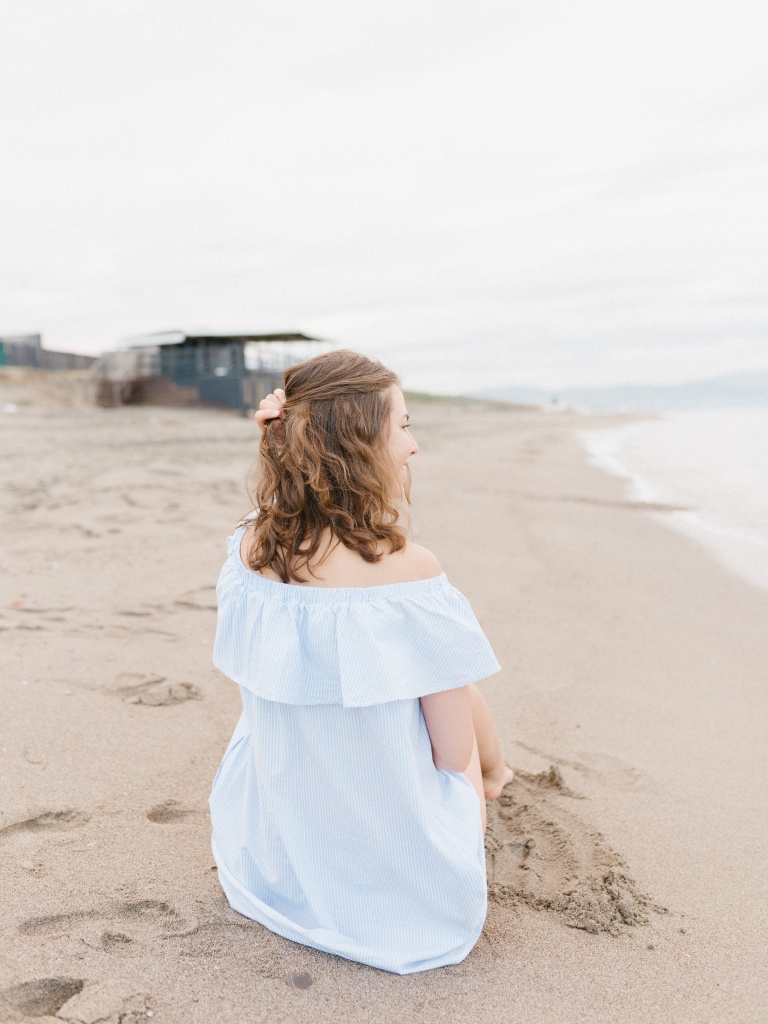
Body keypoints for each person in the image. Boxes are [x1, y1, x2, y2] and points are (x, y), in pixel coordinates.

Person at [209, 349, 514, 974]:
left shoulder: (250, 548)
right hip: (393, 886)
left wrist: (276, 443)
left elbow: (276, 502)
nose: (413, 445)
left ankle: (499, 771)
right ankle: (499, 774)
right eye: (402, 425)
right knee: (455, 689)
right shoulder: (410, 572)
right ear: (359, 446)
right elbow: (447, 755)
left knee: (438, 679)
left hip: (274, 850)